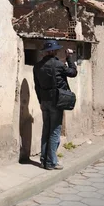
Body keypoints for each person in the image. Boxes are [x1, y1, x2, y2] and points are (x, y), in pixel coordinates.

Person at [33, 40, 77, 170]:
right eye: (56, 50)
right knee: (55, 132)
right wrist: (70, 58)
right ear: (53, 51)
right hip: (56, 101)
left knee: (46, 130)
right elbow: (73, 73)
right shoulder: (58, 65)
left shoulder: (37, 66)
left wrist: (41, 101)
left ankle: (43, 160)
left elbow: (37, 86)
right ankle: (51, 162)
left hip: (44, 101)